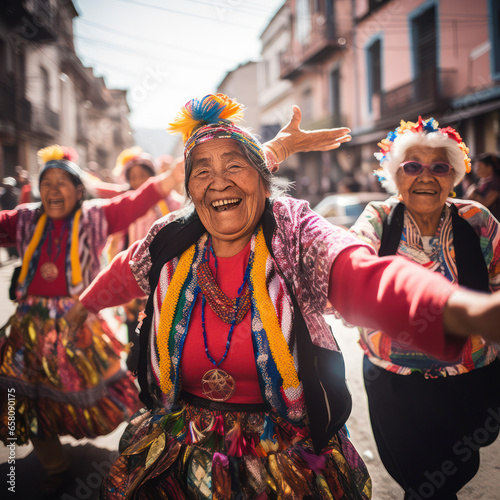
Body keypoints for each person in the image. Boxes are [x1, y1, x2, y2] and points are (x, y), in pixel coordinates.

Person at [66, 95, 500, 499]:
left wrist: (460, 311)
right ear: (190, 190)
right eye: (201, 171)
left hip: (286, 454)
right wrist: (84, 304)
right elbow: (126, 269)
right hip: (179, 444)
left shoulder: (293, 232)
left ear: (263, 177)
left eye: (235, 166)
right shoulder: (171, 237)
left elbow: (356, 271)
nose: (217, 182)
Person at [0, 144, 184, 495]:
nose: (53, 190)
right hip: (29, 325)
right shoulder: (24, 218)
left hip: (78, 320)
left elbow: (134, 202)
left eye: (62, 183)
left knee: (99, 391)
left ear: (79, 190)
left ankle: (134, 452)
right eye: (46, 183)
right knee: (28, 396)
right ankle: (53, 464)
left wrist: (168, 180)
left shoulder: (95, 217)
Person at [350, 117, 500, 499]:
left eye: (439, 167)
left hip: (469, 378)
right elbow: (354, 259)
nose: (426, 176)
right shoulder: (379, 219)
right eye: (412, 166)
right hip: (395, 382)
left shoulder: (478, 221)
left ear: (453, 176)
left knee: (458, 469)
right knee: (419, 480)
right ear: (394, 175)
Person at [106, 147, 184, 372]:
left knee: (162, 327)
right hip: (132, 276)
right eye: (133, 177)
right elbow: (116, 244)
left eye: (143, 176)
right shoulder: (125, 206)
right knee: (135, 330)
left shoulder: (170, 203)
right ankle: (138, 370)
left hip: (162, 276)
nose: (138, 181)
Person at [466, 152, 500, 220]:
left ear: (489, 168)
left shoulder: (496, 183)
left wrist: (473, 192)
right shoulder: (482, 180)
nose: (476, 170)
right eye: (475, 167)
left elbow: (485, 203)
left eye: (479, 167)